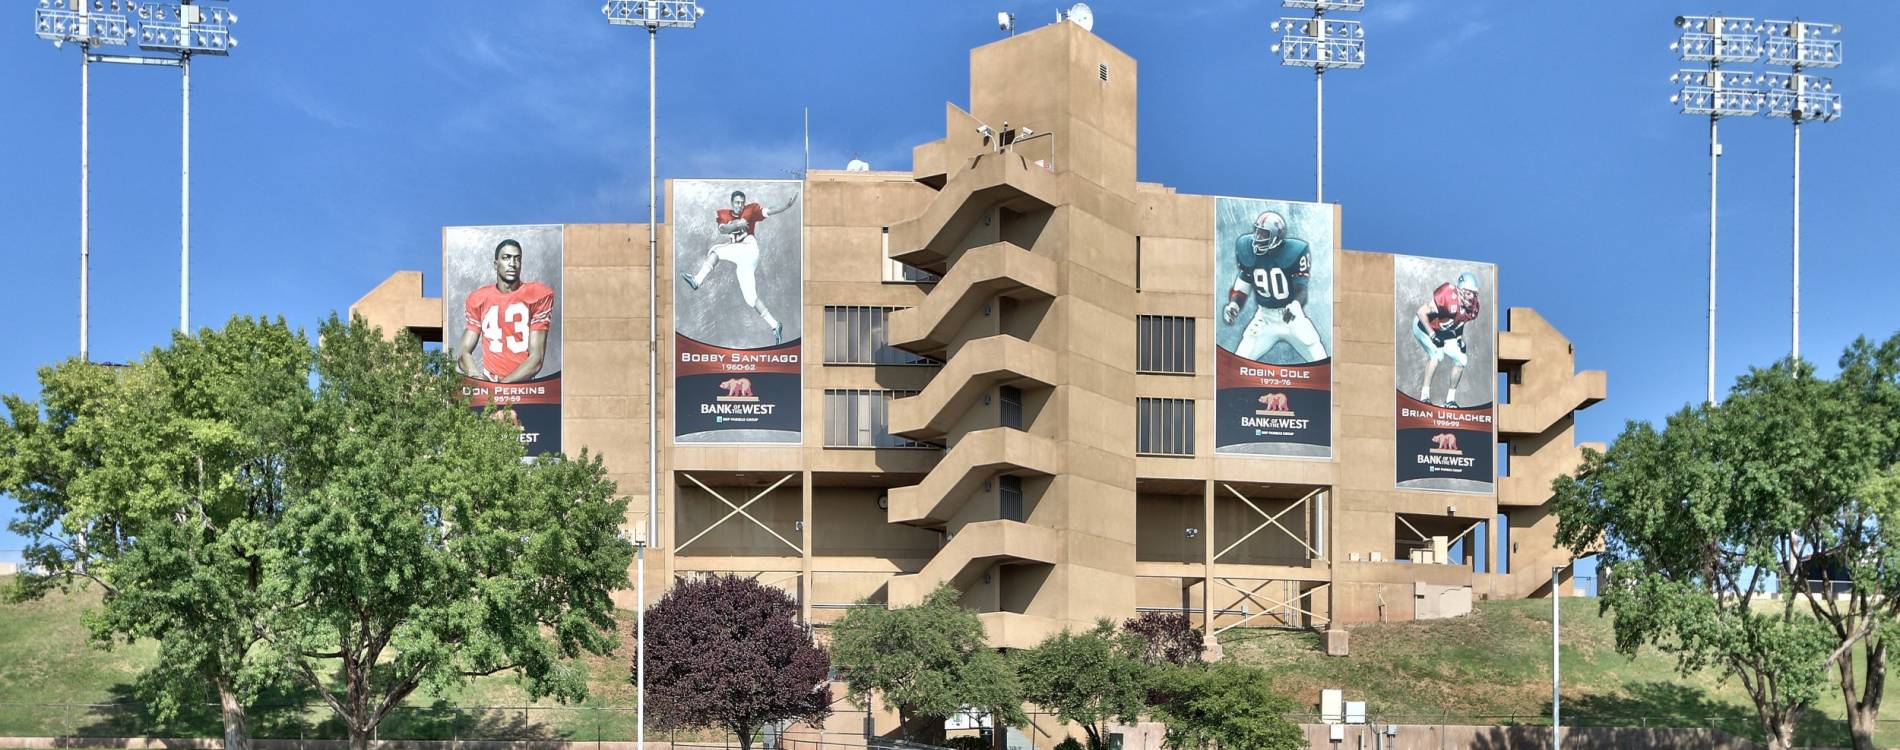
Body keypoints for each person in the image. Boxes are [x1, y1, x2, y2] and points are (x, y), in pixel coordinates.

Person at [681, 189, 799, 344]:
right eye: (737, 202)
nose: (740, 205)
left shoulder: (751, 210)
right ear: (732, 203)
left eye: (742, 202)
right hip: (742, 260)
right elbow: (723, 229)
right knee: (751, 299)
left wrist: (785, 206)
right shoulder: (725, 215)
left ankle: (697, 280)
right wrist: (737, 224)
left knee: (717, 251)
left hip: (749, 248)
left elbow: (769, 210)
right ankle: (775, 325)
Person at [1222, 210, 1327, 362]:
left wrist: (1295, 306)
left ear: (1277, 237)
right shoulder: (1248, 249)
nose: (1258, 238)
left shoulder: (1295, 251)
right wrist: (1234, 304)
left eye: (1264, 234)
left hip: (1290, 316)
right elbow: (1245, 280)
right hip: (1265, 317)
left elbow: (1301, 290)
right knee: (1238, 363)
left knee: (1320, 361)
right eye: (1257, 232)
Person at [457, 239, 554, 383]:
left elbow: (536, 358)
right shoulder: (478, 298)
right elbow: (463, 352)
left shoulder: (538, 294)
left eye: (517, 259)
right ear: (496, 264)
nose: (512, 264)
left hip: (523, 384)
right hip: (489, 381)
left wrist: (501, 388)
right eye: (506, 257)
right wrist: (478, 378)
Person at [1412, 272, 1482, 408]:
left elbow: (1460, 323)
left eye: (1474, 294)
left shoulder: (1472, 309)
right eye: (1469, 293)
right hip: (1423, 326)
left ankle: (1450, 400)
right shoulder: (1448, 295)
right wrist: (1432, 335)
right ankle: (1424, 396)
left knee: (1462, 360)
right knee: (1437, 354)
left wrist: (1459, 339)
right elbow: (1421, 313)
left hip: (1442, 330)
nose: (1472, 298)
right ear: (1460, 290)